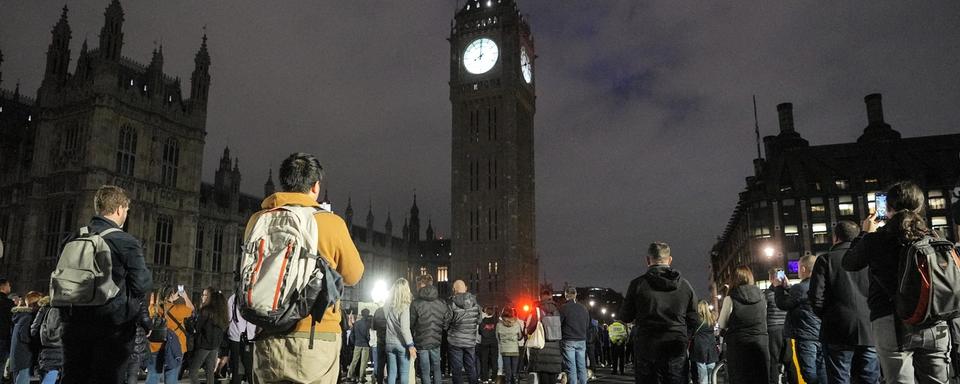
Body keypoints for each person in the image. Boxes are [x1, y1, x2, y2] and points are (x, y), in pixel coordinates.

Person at [247, 152, 364, 384]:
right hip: (315, 337)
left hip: (266, 335)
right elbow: (354, 274)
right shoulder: (331, 223)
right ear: (315, 186)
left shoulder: (257, 220)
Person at [843, 181, 950, 383]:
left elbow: (849, 263)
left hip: (890, 321)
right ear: (920, 207)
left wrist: (865, 232)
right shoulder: (935, 238)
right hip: (935, 320)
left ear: (888, 209)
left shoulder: (875, 240)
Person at [60, 185, 153, 384]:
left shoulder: (73, 237)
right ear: (119, 209)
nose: (126, 215)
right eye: (127, 211)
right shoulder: (125, 241)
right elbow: (142, 285)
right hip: (111, 329)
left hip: (73, 325)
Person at [807, 220, 879, 384]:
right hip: (869, 327)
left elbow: (816, 297)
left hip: (837, 328)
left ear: (835, 238)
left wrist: (827, 315)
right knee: (869, 378)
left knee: (839, 377)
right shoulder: (870, 259)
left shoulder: (826, 259)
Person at [618, 242, 699, 384]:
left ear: (648, 260)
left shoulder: (637, 285)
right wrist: (685, 336)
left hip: (647, 347)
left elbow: (625, 316)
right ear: (670, 259)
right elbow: (694, 319)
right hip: (676, 345)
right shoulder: (685, 286)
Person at [774, 255, 825, 384]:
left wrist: (778, 287)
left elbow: (783, 304)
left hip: (805, 336)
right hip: (821, 334)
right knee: (822, 369)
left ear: (803, 268)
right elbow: (801, 299)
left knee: (808, 371)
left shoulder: (800, 288)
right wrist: (788, 288)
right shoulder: (822, 284)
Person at [717, 265, 769, 384]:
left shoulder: (730, 298)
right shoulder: (762, 296)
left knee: (740, 378)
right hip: (760, 344)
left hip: (738, 346)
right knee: (760, 377)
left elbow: (722, 323)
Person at [147, 285, 195, 384]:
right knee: (171, 377)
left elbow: (152, 307)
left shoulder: (153, 309)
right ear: (171, 295)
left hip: (155, 347)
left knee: (153, 376)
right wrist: (184, 296)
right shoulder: (178, 309)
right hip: (175, 347)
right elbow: (192, 309)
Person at [410, 274, 449, 384]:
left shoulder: (416, 303)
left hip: (421, 342)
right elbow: (446, 321)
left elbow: (411, 324)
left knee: (425, 370)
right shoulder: (441, 302)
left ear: (421, 285)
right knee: (437, 369)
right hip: (436, 341)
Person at [189, 288, 228, 384]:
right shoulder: (222, 313)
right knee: (210, 371)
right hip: (215, 346)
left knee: (193, 371)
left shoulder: (206, 310)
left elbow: (198, 327)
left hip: (204, 345)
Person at [447, 280, 482, 384]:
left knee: (457, 370)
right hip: (470, 341)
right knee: (471, 367)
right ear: (465, 288)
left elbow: (446, 321)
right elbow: (479, 320)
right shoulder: (475, 304)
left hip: (455, 341)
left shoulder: (452, 303)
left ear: (454, 290)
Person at [525, 289, 563, 384]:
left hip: (541, 349)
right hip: (555, 349)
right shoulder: (557, 310)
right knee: (552, 379)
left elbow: (530, 329)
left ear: (540, 297)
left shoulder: (537, 310)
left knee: (543, 378)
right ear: (551, 297)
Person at [384, 278, 415, 384]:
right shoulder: (405, 306)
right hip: (401, 344)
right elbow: (405, 328)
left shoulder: (387, 305)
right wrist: (410, 345)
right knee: (404, 373)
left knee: (391, 373)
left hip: (389, 343)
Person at [559, 287, 590, 384]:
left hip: (569, 340)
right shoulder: (584, 308)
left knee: (571, 367)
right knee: (582, 366)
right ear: (575, 295)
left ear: (566, 295)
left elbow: (559, 323)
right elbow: (587, 324)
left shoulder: (563, 308)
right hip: (581, 340)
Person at [30, 295, 63, 384]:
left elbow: (33, 330)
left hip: (46, 349)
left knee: (47, 378)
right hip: (62, 348)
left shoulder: (44, 309)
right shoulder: (67, 308)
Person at [10, 291, 41, 384]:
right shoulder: (27, 317)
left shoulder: (19, 316)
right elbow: (24, 337)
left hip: (17, 355)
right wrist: (35, 341)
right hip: (23, 356)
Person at [764, 270, 788, 384]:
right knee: (789, 360)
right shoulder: (787, 292)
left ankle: (774, 381)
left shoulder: (767, 294)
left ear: (770, 278)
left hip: (773, 329)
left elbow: (764, 312)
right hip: (787, 329)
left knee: (773, 360)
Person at [226, 293, 256, 384]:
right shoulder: (254, 296)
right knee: (249, 366)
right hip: (251, 336)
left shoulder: (233, 298)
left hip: (236, 336)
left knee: (236, 366)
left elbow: (229, 317)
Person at [690, 300, 719, 384]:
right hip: (711, 348)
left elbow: (691, 332)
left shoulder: (696, 319)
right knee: (712, 373)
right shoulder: (712, 319)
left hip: (699, 349)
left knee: (702, 375)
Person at [497, 308, 523, 384]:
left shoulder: (499, 325)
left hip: (505, 349)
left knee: (507, 370)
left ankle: (508, 381)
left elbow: (497, 337)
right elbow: (520, 337)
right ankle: (514, 380)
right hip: (514, 349)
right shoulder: (517, 324)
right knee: (514, 371)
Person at [347, 308, 372, 383]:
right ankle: (361, 377)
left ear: (361, 314)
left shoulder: (356, 323)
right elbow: (368, 335)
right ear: (367, 314)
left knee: (354, 360)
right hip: (365, 345)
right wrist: (369, 342)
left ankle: (349, 375)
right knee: (363, 362)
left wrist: (354, 342)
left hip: (357, 344)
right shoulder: (368, 324)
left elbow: (352, 335)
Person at [478, 306, 499, 383]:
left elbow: (480, 332)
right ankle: (494, 378)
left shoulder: (482, 321)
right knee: (494, 360)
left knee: (484, 361)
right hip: (494, 342)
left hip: (484, 342)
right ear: (492, 312)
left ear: (486, 312)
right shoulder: (496, 321)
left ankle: (485, 378)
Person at [0, 278, 14, 377]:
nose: (10, 287)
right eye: (8, 285)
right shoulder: (8, 303)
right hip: (3, 338)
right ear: (3, 287)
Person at [373, 305, 388, 384]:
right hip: (390, 341)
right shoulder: (392, 309)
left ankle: (379, 381)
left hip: (380, 341)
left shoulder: (378, 311)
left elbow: (374, 327)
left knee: (380, 364)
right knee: (391, 364)